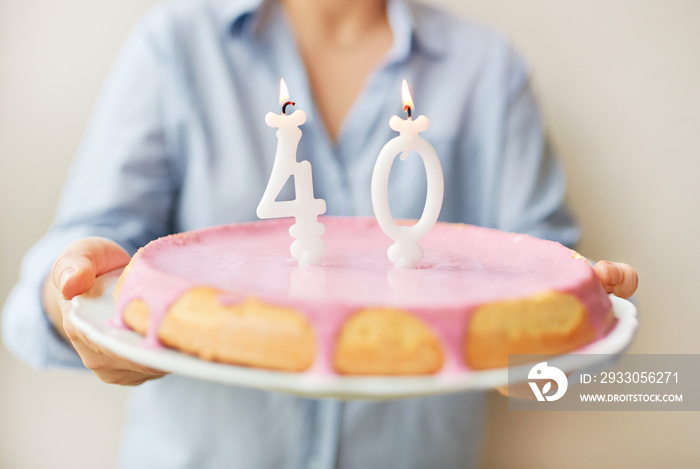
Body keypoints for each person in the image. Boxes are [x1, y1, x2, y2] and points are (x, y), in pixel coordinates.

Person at [2, 0, 638, 467]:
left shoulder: (489, 71)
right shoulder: (175, 44)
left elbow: (552, 292)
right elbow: (61, 280)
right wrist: (71, 300)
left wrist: (552, 354)